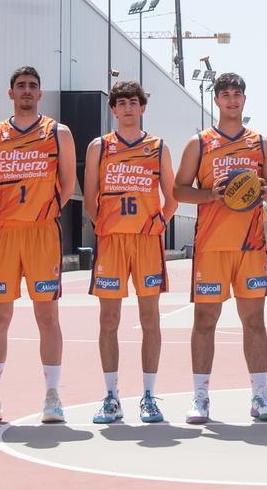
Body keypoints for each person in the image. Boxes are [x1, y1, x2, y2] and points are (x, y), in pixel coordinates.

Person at [173, 72, 267, 424]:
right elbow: (178, 190)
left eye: (237, 94)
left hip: (251, 245)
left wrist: (265, 192)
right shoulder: (199, 143)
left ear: (244, 100)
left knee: (254, 321)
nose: (232, 100)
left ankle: (260, 395)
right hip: (212, 246)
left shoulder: (260, 143)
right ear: (216, 100)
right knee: (205, 320)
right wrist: (210, 195)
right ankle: (200, 397)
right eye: (226, 95)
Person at [0, 66, 76, 425]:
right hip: (3, 233)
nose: (27, 91)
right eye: (21, 86)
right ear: (10, 93)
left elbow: (67, 183)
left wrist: (40, 212)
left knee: (47, 316)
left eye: (33, 86)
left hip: (42, 233)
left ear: (40, 93)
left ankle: (52, 395)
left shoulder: (58, 133)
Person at [82, 81, 177, 424]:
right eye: (120, 103)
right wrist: (103, 224)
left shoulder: (158, 147)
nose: (126, 108)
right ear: (113, 109)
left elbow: (172, 196)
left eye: (132, 103)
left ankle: (149, 396)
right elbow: (89, 196)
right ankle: (111, 396)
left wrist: (158, 223)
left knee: (150, 320)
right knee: (109, 320)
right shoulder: (99, 147)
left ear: (142, 108)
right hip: (112, 242)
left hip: (146, 242)